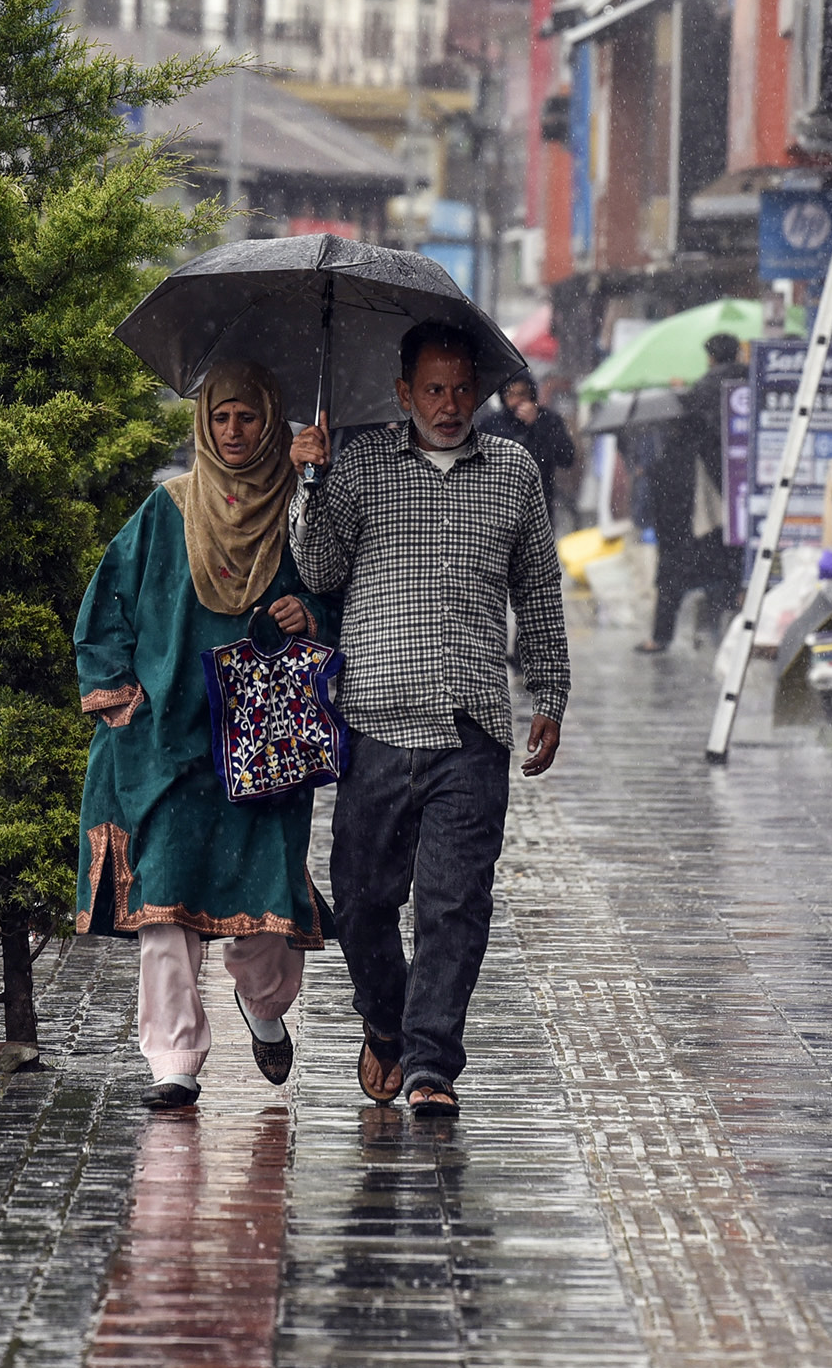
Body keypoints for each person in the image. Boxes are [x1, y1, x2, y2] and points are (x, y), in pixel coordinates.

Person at [288, 321, 569, 1116]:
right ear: (404, 392)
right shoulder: (362, 462)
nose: (449, 406)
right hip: (376, 720)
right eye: (433, 390)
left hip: (471, 724)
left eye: (461, 390)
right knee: (363, 899)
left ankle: (431, 1065)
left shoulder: (512, 469)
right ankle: (387, 1022)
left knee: (454, 902)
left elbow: (538, 590)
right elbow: (319, 569)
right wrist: (310, 482)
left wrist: (549, 691)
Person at [74, 361, 329, 1111]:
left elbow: (340, 596)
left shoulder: (300, 512)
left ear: (273, 421)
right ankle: (174, 1060)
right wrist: (124, 701)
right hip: (168, 743)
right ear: (203, 425)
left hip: (262, 741)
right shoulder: (165, 511)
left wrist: (306, 612)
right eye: (220, 417)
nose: (234, 431)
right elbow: (105, 610)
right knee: (167, 902)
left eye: (250, 417)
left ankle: (265, 1004)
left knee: (263, 909)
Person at [639, 333, 749, 653]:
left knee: (674, 570)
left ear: (711, 357)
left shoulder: (700, 394)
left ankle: (661, 636)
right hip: (739, 489)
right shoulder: (750, 383)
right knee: (732, 564)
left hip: (698, 501)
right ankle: (726, 630)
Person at [484, 372, 577, 517]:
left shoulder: (548, 420)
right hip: (499, 508)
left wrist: (537, 425)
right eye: (510, 394)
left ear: (531, 394)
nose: (516, 401)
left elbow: (566, 458)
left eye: (522, 394)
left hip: (540, 508)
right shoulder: (492, 425)